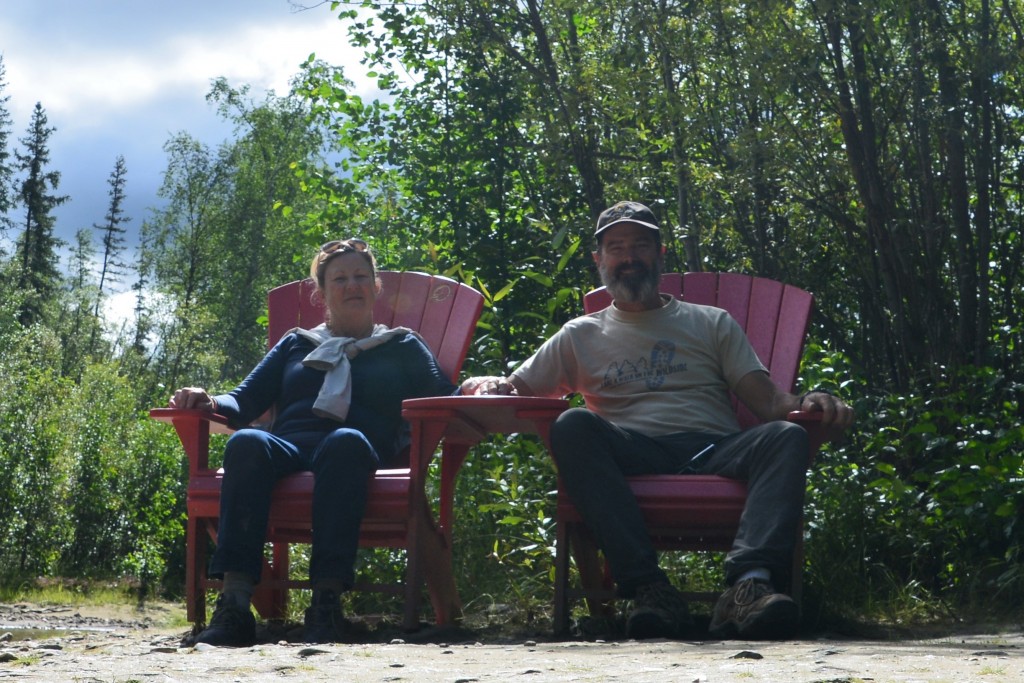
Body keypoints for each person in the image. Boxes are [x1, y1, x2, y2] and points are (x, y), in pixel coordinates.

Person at [462, 201, 854, 640]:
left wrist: (811, 399)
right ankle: (649, 589)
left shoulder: (710, 323)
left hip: (714, 449)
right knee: (572, 425)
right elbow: (517, 391)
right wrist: (488, 381)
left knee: (785, 437)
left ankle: (749, 586)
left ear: (660, 253)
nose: (628, 257)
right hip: (633, 451)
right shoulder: (580, 334)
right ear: (599, 260)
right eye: (616, 248)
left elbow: (769, 403)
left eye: (640, 245)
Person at [169, 238, 460, 646]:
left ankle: (326, 603)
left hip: (355, 454)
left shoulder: (402, 346)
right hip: (289, 449)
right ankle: (234, 605)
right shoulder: (296, 343)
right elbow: (245, 400)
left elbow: (442, 396)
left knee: (345, 441)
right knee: (248, 442)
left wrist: (481, 386)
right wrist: (209, 400)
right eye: (339, 279)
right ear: (322, 292)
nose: (352, 285)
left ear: (377, 288)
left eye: (361, 276)